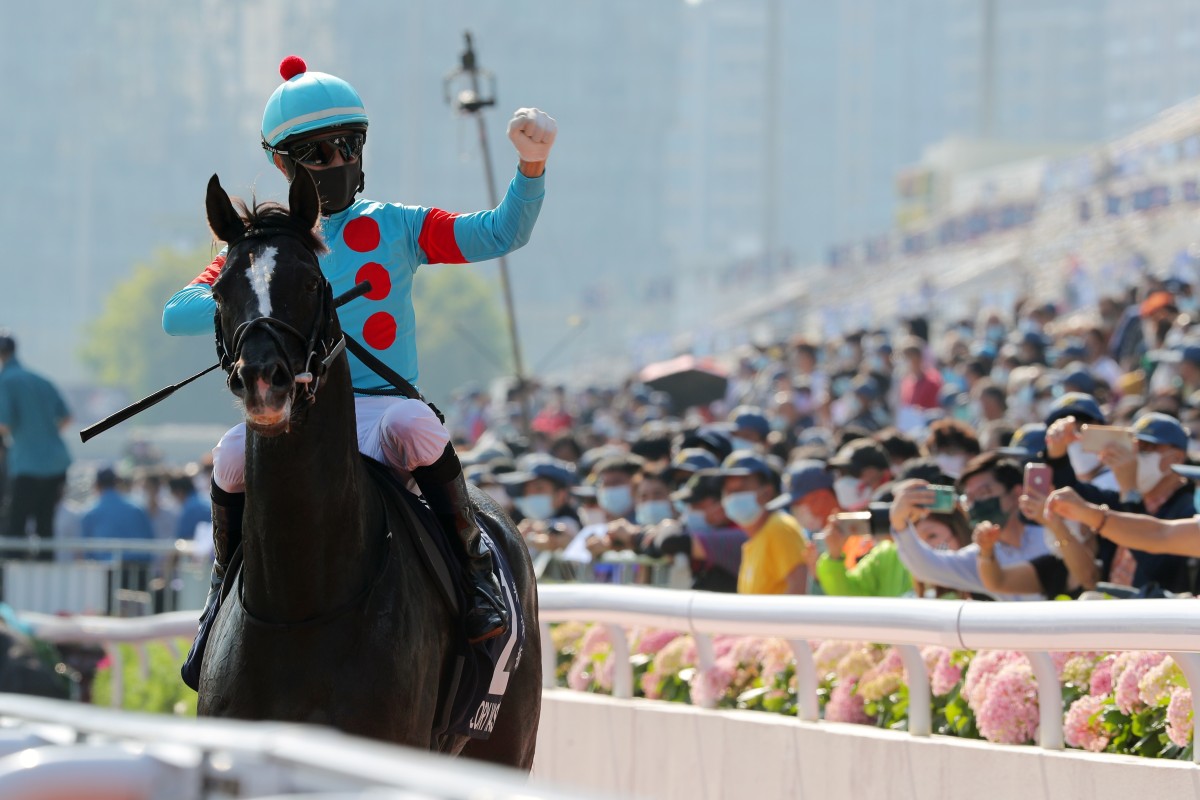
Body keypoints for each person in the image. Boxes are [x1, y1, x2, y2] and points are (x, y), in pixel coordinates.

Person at [162, 56, 556, 645]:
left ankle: (476, 576)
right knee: (228, 459)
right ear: (282, 161)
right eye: (318, 153)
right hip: (297, 413)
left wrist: (531, 166)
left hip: (380, 409)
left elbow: (501, 232)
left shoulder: (399, 224)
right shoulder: (264, 249)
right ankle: (222, 592)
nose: (339, 161)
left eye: (349, 144)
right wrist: (259, 298)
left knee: (420, 428)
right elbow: (176, 314)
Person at [890, 453, 1051, 601]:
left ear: (1016, 493)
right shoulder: (980, 555)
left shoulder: (1051, 539)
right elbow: (927, 567)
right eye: (969, 497)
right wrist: (900, 523)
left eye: (984, 493)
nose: (976, 504)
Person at [0, 331, 72, 558]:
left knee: (16, 526)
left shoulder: (5, 381)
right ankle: (43, 580)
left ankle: (10, 586)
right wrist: (43, 434)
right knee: (45, 525)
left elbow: (4, 423)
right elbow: (66, 417)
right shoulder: (40, 379)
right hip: (56, 461)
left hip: (27, 464)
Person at [714, 451, 809, 595]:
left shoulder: (780, 528)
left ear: (767, 492)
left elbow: (799, 589)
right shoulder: (757, 536)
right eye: (728, 491)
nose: (733, 497)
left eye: (740, 490)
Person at [80, 467, 156, 594]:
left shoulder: (90, 513)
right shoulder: (137, 508)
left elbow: (87, 552)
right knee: (141, 613)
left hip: (106, 575)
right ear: (117, 483)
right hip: (138, 572)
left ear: (96, 485)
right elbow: (150, 540)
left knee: (106, 613)